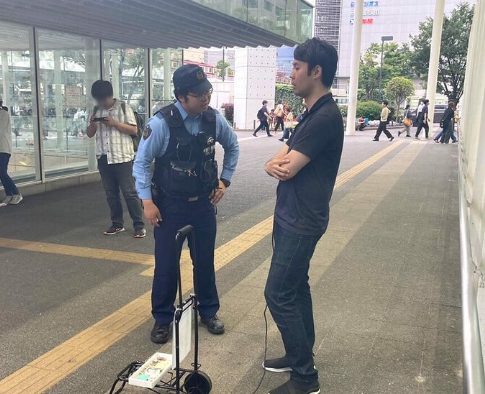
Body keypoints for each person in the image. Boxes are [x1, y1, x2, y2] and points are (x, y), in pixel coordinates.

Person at [133, 64, 239, 344]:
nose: (206, 99)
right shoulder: (160, 124)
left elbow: (233, 145)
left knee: (204, 261)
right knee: (167, 265)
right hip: (169, 207)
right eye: (199, 95)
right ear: (181, 96)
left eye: (208, 92)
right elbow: (142, 163)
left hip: (203, 205)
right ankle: (163, 319)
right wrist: (147, 201)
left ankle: (209, 312)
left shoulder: (214, 120)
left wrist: (224, 181)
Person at [263, 37, 343, 394]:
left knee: (278, 293)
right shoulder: (313, 111)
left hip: (302, 219)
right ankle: (301, 354)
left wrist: (275, 163)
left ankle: (305, 377)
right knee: (296, 287)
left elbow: (287, 167)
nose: (290, 74)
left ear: (316, 71)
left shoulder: (324, 116)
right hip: (293, 215)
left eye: (296, 68)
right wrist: (272, 162)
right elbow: (280, 156)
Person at [86, 80, 146, 238]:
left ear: (110, 96)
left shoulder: (124, 107)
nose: (101, 103)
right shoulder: (95, 110)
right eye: (98, 100)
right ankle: (117, 223)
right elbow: (90, 133)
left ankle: (139, 224)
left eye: (103, 100)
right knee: (110, 193)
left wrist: (114, 123)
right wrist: (92, 124)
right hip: (104, 156)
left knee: (129, 192)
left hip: (122, 157)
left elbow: (134, 130)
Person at [0, 97, 22, 207]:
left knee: (2, 172)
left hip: (3, 148)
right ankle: (9, 195)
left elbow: (2, 130)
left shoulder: (3, 114)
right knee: (1, 173)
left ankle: (17, 194)